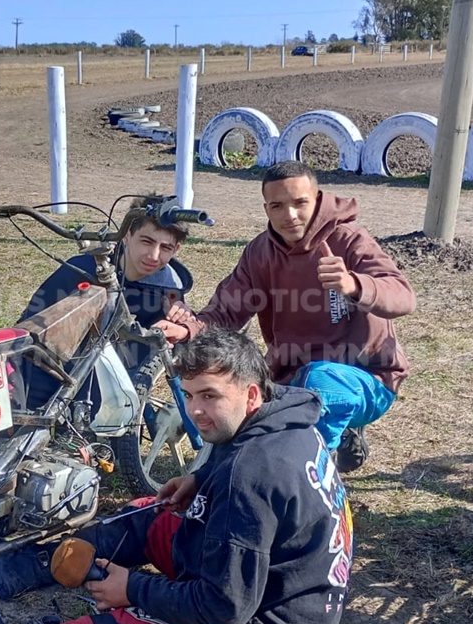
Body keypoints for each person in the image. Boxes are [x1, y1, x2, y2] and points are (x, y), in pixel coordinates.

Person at [0, 328, 352, 624]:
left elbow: (224, 607)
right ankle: (31, 564)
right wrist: (201, 482)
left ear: (250, 394)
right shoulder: (287, 414)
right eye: (188, 394)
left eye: (210, 396)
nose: (196, 410)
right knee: (154, 512)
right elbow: (257, 482)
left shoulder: (252, 476)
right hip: (277, 580)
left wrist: (133, 590)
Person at [158, 161, 414, 472]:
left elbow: (403, 296)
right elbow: (226, 310)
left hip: (369, 379)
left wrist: (354, 284)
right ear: (266, 208)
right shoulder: (260, 253)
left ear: (317, 199)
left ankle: (315, 482)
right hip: (290, 380)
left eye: (299, 203)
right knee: (241, 394)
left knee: (321, 384)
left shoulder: (349, 240)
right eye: (277, 205)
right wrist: (187, 329)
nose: (289, 215)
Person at [12, 199, 193, 409]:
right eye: (146, 241)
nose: (154, 255)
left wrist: (181, 321)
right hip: (62, 371)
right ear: (127, 234)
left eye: (165, 247)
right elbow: (32, 326)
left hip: (121, 384)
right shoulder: (82, 270)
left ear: (177, 248)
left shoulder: (170, 288)